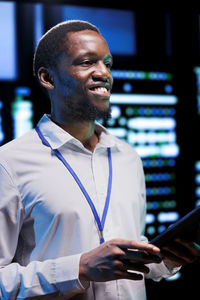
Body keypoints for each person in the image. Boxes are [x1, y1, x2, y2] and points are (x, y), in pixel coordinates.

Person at [0, 20, 199, 300]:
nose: (103, 73)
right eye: (86, 62)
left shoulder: (128, 157)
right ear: (48, 78)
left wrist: (163, 259)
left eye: (107, 63)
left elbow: (130, 250)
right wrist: (79, 268)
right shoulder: (9, 163)